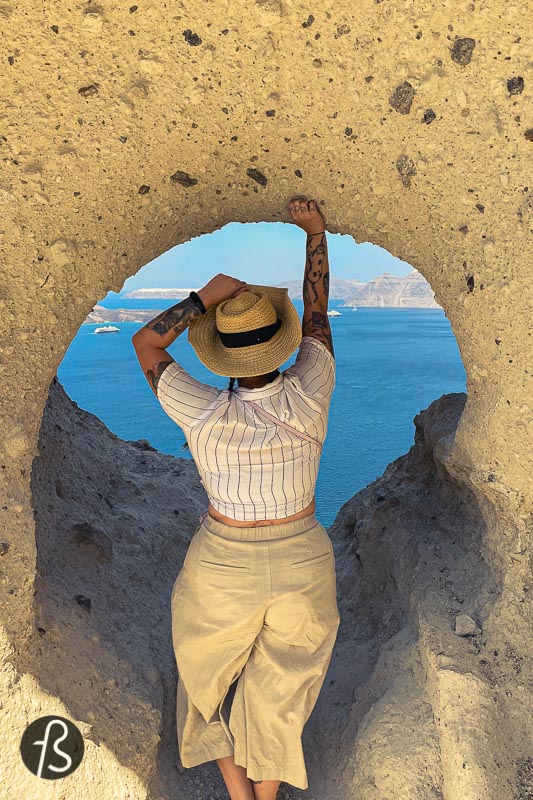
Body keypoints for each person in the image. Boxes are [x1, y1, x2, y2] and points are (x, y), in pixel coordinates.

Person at [132, 198, 340, 800]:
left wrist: (205, 297)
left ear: (222, 350)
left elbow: (148, 344)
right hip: (303, 558)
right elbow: (319, 310)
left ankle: (239, 795)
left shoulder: (203, 413)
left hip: (223, 561)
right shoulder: (312, 390)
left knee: (206, 681)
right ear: (282, 343)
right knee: (280, 690)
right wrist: (315, 233)